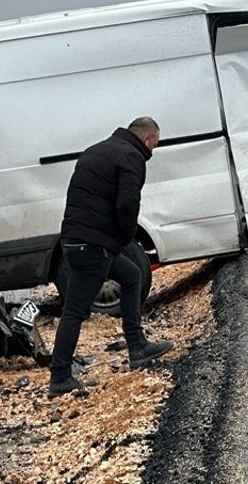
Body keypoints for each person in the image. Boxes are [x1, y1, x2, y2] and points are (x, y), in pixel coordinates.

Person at [48, 117, 174, 397]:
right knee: (74, 312)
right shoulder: (132, 157)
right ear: (146, 140)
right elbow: (128, 202)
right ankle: (59, 378)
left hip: (76, 238)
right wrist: (125, 238)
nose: (153, 151)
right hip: (93, 244)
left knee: (132, 276)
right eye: (155, 144)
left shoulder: (96, 150)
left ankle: (137, 346)